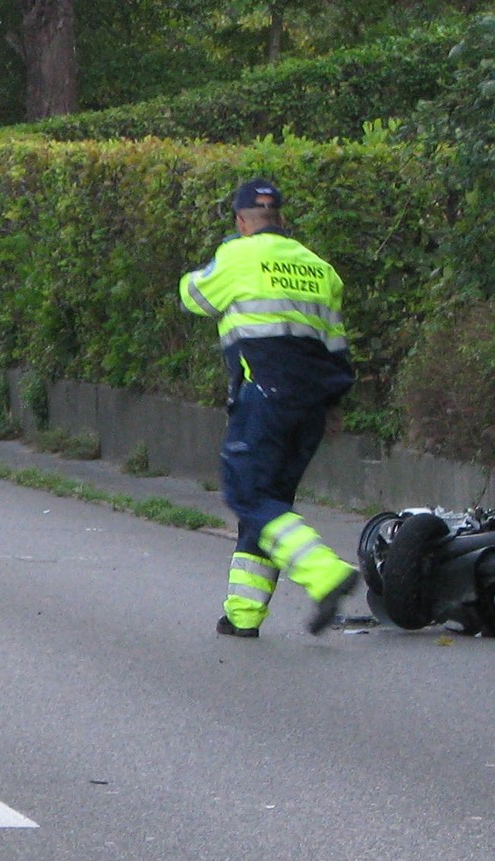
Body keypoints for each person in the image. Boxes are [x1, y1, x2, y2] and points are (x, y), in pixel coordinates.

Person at [179, 178, 357, 637]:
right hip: (313, 405)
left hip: (265, 397)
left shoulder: (237, 255)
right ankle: (243, 613)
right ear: (282, 219)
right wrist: (333, 406)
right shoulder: (321, 269)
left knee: (248, 495)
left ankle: (325, 573)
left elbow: (193, 296)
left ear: (242, 222)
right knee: (270, 507)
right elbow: (335, 347)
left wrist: (224, 252)